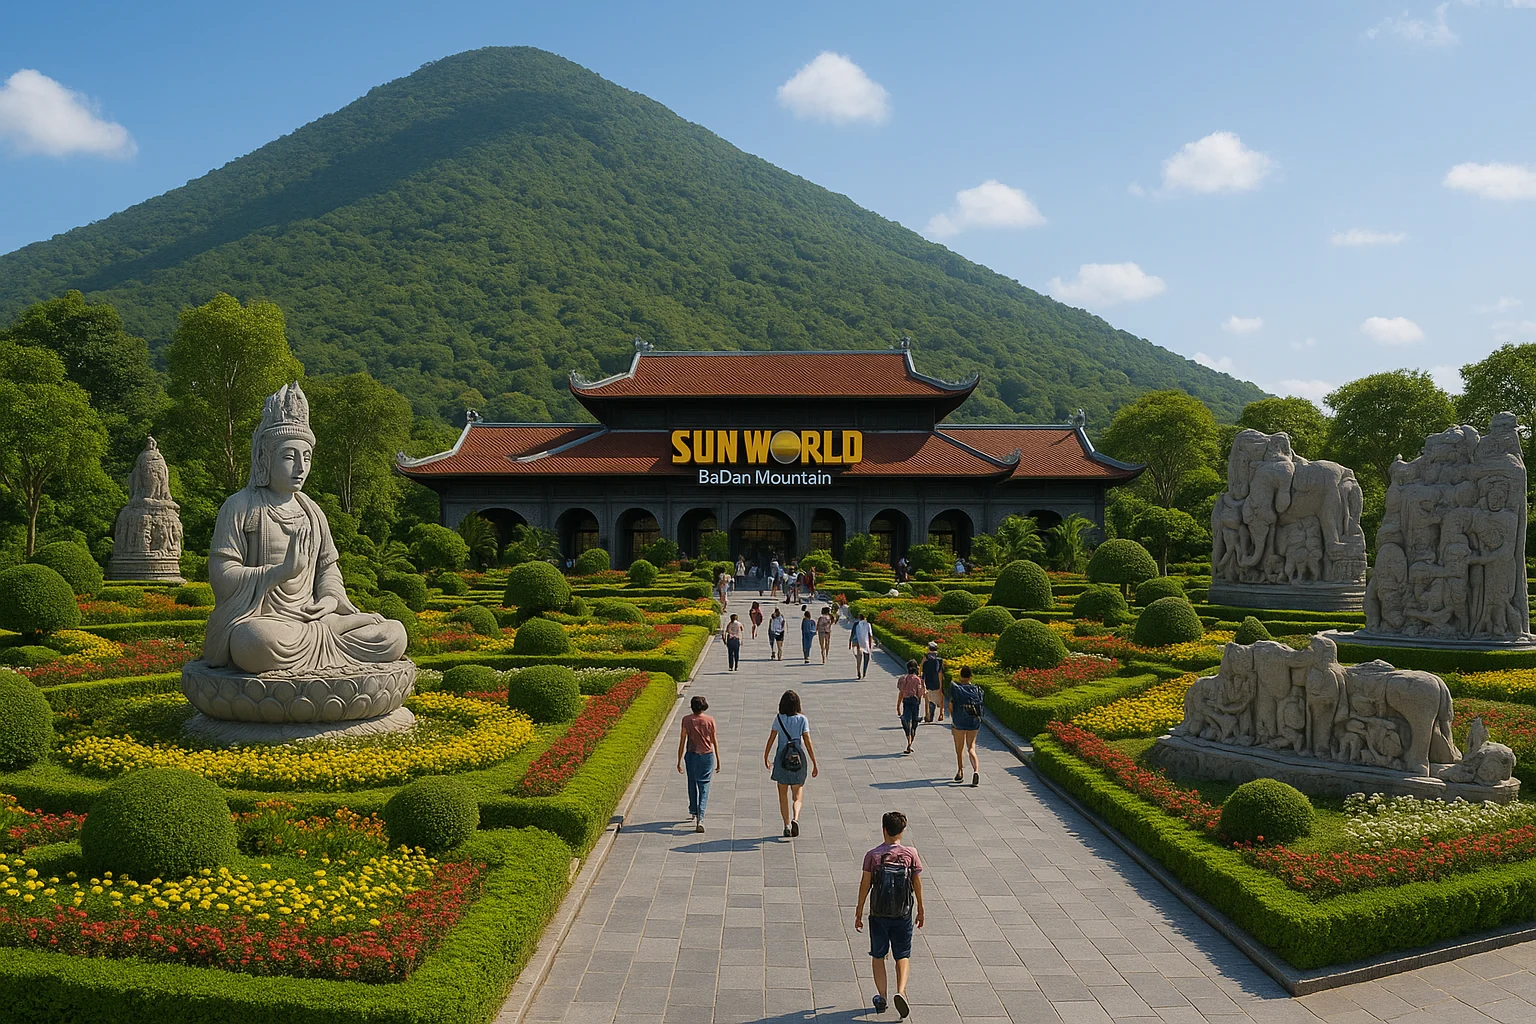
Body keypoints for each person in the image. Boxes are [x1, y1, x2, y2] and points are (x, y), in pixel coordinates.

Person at [855, 810, 924, 1019]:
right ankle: (901, 991)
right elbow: (917, 883)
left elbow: (865, 884)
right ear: (902, 830)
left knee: (878, 955)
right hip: (903, 914)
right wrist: (920, 908)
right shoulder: (910, 853)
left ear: (883, 829)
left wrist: (859, 911)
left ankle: (882, 996)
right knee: (902, 955)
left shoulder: (873, 855)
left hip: (878, 914)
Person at [764, 689, 817, 837]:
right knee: (797, 795)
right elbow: (807, 741)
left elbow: (772, 737)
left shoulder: (779, 718)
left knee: (782, 795)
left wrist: (766, 755)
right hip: (797, 759)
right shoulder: (802, 719)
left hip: (781, 760)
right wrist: (814, 761)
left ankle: (786, 825)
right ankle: (796, 817)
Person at [677, 695, 719, 833]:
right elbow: (714, 740)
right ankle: (701, 816)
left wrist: (678, 760)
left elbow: (682, 740)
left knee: (691, 783)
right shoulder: (710, 720)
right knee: (704, 785)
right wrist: (718, 759)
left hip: (691, 754)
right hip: (707, 755)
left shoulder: (686, 720)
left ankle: (693, 810)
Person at [947, 666, 983, 786]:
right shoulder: (976, 690)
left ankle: (960, 771)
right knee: (971, 747)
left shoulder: (957, 690)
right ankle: (976, 771)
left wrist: (954, 717)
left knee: (959, 748)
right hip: (974, 721)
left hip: (959, 721)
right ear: (970, 677)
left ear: (960, 676)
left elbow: (950, 707)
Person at [896, 660, 924, 754]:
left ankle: (908, 740)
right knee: (914, 722)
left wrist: (898, 706)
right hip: (915, 702)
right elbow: (920, 693)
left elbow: (901, 692)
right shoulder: (918, 679)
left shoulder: (903, 678)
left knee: (906, 720)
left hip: (906, 701)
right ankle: (911, 742)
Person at [921, 641, 946, 723]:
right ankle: (941, 713)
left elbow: (922, 671)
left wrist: (923, 684)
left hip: (928, 682)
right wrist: (941, 686)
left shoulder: (926, 659)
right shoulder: (939, 660)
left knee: (927, 700)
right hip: (936, 682)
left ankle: (928, 715)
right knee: (941, 698)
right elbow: (940, 673)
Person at [849, 612, 874, 679]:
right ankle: (864, 672)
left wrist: (850, 642)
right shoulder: (868, 625)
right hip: (865, 642)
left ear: (859, 617)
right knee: (866, 658)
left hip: (856, 642)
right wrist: (870, 645)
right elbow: (870, 635)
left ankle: (858, 671)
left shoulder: (856, 624)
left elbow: (852, 633)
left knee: (858, 658)